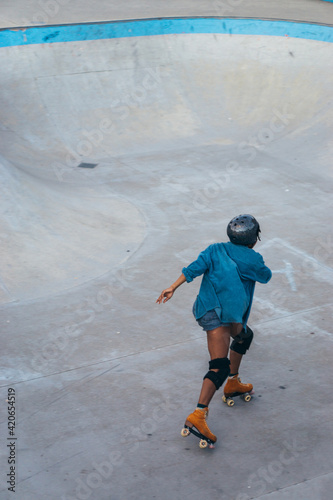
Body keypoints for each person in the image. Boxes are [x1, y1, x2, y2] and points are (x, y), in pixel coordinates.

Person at [156, 214, 272, 448]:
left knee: (243, 336)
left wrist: (172, 287)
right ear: (254, 239)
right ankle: (198, 415)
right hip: (215, 315)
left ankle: (233, 383)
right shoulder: (253, 259)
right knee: (218, 367)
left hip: (224, 313)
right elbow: (266, 276)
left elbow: (192, 269)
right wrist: (251, 262)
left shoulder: (214, 249)